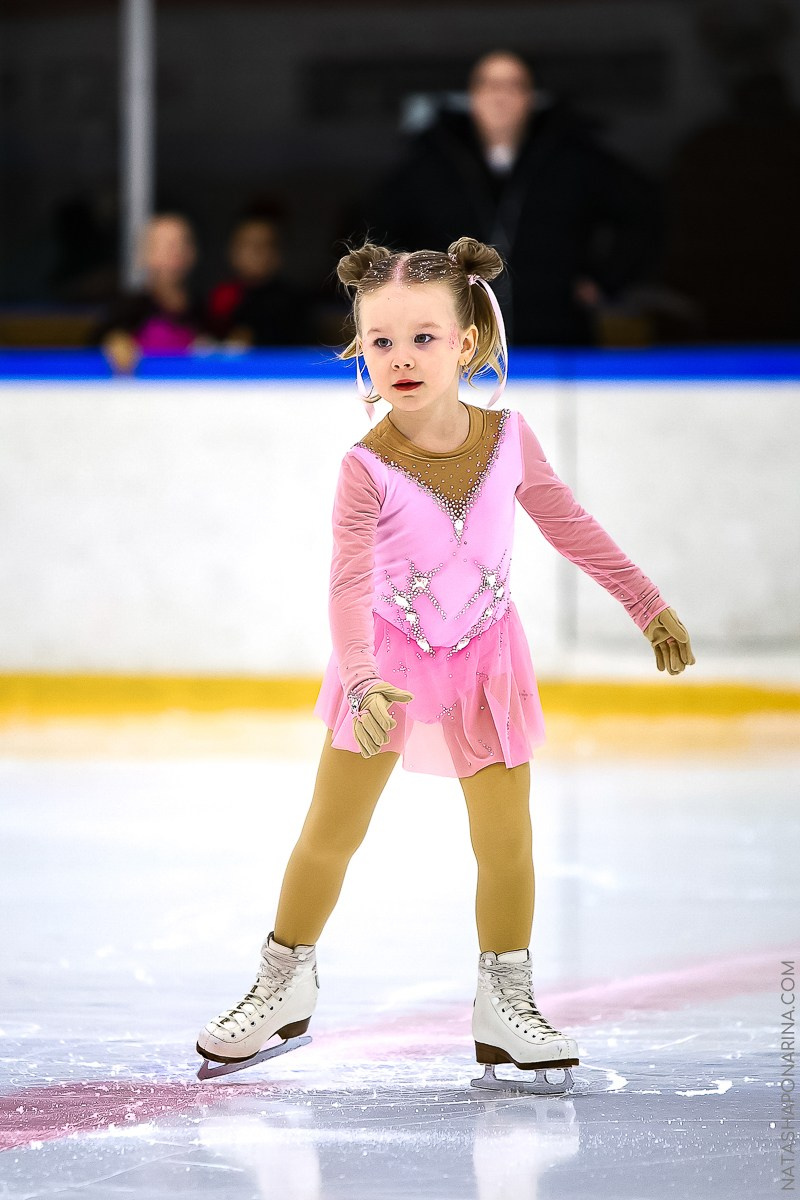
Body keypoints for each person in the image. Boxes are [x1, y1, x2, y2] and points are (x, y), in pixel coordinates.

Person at [195, 235, 695, 1092]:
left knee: (507, 842)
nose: (402, 357)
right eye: (382, 341)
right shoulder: (365, 469)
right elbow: (348, 585)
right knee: (330, 835)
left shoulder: (511, 439)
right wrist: (359, 678)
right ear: (361, 350)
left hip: (488, 664)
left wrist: (644, 600)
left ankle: (505, 1001)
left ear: (467, 343)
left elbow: (568, 523)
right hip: (384, 668)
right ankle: (283, 985)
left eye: (423, 337)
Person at [362, 50, 661, 345]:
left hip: (554, 334)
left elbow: (644, 211)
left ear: (529, 97)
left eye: (513, 85)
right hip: (456, 337)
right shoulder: (431, 162)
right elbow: (377, 228)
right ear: (472, 96)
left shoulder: (572, 157)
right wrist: (411, 289)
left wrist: (605, 280)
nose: (500, 96)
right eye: (489, 85)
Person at [92, 212, 208, 373]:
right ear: (143, 255)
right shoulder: (129, 308)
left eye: (183, 243)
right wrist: (114, 341)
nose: (177, 251)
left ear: (193, 252)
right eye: (166, 245)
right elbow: (98, 342)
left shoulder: (207, 309)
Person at [207, 210, 314, 345]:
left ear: (279, 254)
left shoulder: (294, 303)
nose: (257, 253)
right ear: (232, 251)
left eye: (266, 245)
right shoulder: (218, 300)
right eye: (249, 245)